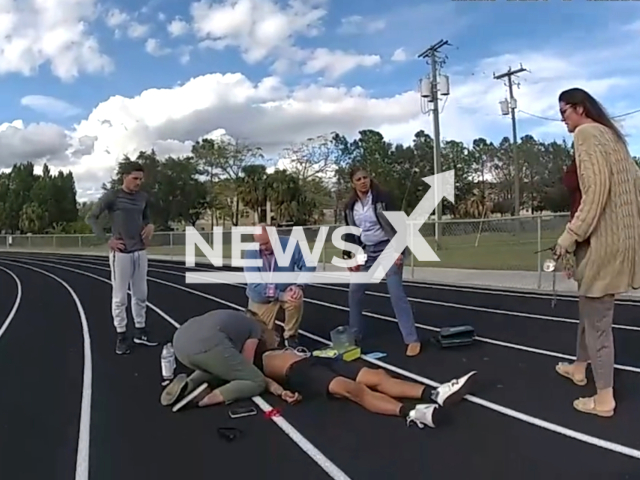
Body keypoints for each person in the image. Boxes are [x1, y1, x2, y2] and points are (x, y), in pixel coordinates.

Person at [553, 87, 640, 418]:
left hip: (603, 245)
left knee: (598, 324)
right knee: (589, 312)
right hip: (620, 243)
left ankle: (604, 398)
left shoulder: (587, 135)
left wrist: (569, 237)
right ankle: (579, 367)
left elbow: (595, 192)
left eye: (564, 113)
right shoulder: (613, 138)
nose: (563, 120)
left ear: (579, 108)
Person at [253, 339, 477, 428]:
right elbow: (265, 382)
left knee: (377, 375)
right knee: (354, 390)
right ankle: (413, 412)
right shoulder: (255, 361)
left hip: (317, 360)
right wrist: (283, 393)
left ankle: (436, 393)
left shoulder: (277, 343)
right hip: (299, 372)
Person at [342, 166, 421, 357]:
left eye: (365, 177)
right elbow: (351, 232)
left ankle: (411, 339)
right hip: (367, 251)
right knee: (354, 291)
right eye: (358, 179)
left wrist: (399, 251)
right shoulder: (350, 207)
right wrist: (351, 255)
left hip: (389, 248)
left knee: (396, 293)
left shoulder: (383, 199)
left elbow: (400, 225)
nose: (363, 181)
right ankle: (355, 335)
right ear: (353, 183)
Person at [86, 161, 157, 354]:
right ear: (124, 177)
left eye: (141, 179)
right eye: (135, 178)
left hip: (140, 251)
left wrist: (150, 225)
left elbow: (147, 218)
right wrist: (106, 240)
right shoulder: (113, 196)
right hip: (121, 252)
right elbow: (91, 217)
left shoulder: (143, 197)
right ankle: (121, 335)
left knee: (141, 294)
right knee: (120, 298)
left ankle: (140, 331)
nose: (138, 182)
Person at [160, 309, 284, 412]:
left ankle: (188, 385)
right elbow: (246, 364)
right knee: (255, 380)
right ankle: (204, 400)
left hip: (180, 345)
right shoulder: (255, 328)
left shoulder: (232, 318)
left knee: (217, 367)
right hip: (208, 345)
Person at [242, 224, 316, 348]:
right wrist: (281, 295)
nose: (263, 247)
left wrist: (299, 285)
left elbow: (309, 265)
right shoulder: (251, 252)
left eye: (266, 243)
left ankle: (290, 337)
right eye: (260, 244)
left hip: (285, 290)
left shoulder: (290, 245)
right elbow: (255, 284)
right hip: (262, 299)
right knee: (261, 339)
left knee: (295, 298)